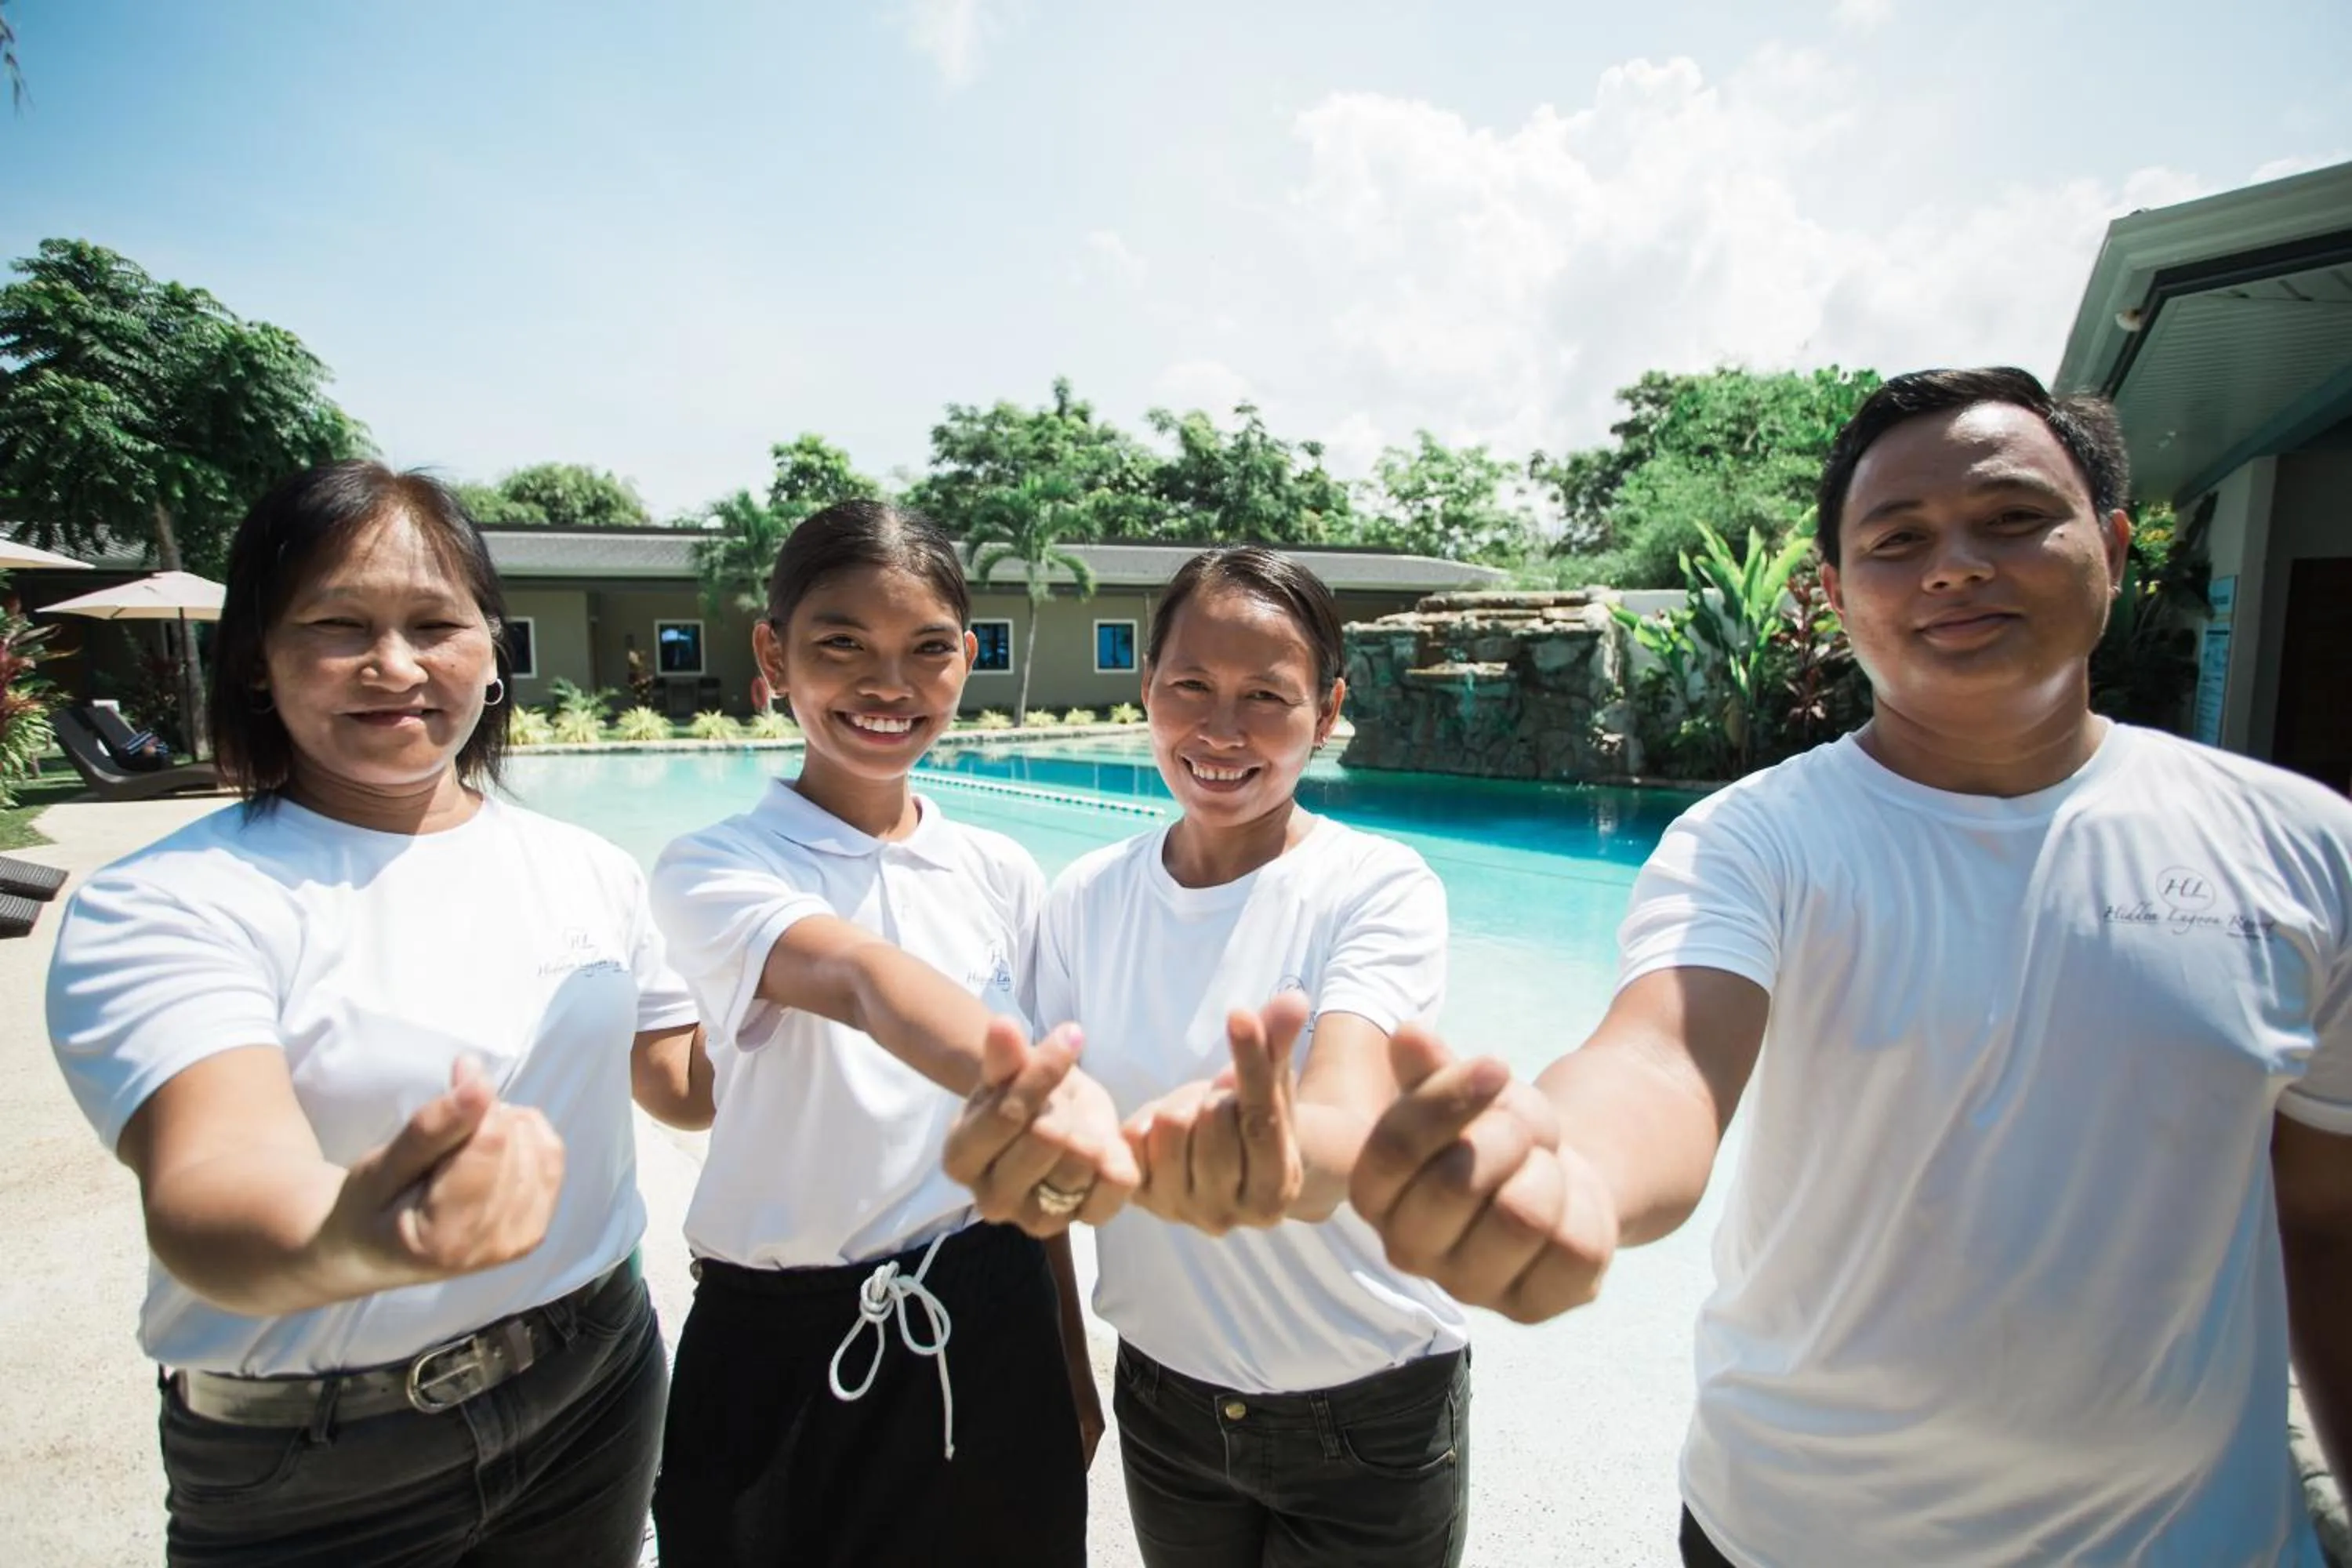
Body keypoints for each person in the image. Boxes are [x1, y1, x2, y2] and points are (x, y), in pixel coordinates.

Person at [1346, 367, 2352, 1566]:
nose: (1956, 566)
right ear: (1834, 590)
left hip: (2198, 1542)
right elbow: (1662, 1057)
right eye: (1899, 539)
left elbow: (2327, 1215)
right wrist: (1566, 1165)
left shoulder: (2301, 850)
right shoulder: (1757, 839)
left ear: (2115, 545)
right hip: (1797, 1534)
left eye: (2014, 519)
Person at [45, 460, 701, 1566]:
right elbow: (213, 1183)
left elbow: (684, 1083)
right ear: (258, 659)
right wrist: (354, 1236)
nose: (394, 665)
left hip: (595, 1383)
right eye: (339, 625)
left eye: (434, 623)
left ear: (490, 648)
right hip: (321, 1460)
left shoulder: (584, 867)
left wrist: (864, 1005)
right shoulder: (170, 901)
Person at [947, 546, 1472, 1568]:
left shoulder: (1376, 887)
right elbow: (1047, 1138)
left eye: (1267, 697)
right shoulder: (1086, 900)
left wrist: (1280, 1157)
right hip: (1168, 1401)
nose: (1220, 730)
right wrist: (1067, 1363)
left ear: (1326, 716)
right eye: (1190, 685)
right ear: (1147, 689)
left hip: (1368, 1408)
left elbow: (1348, 1110)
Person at [643, 498, 1135, 1568]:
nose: (887, 686)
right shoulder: (718, 866)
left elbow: (1020, 1160)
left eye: (926, 652)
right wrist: (1052, 1089)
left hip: (988, 1315)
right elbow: (862, 980)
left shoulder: (997, 872)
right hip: (775, 1340)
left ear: (966, 660)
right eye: (842, 647)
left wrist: (1066, 1362)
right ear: (773, 654)